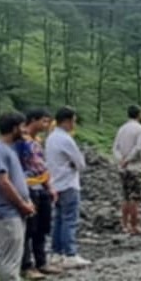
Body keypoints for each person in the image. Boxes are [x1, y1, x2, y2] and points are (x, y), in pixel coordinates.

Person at [0, 112, 38, 281]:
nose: (25, 131)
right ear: (15, 127)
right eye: (23, 127)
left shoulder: (5, 149)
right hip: (8, 211)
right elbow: (3, 182)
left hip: (12, 210)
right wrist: (21, 204)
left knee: (12, 254)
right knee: (10, 256)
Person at [17, 109, 59, 279]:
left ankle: (42, 261)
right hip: (27, 187)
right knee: (28, 229)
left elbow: (41, 165)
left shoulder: (37, 141)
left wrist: (49, 186)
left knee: (42, 227)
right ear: (33, 120)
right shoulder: (20, 141)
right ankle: (26, 265)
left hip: (41, 186)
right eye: (44, 121)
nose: (46, 125)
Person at [45, 107, 88, 269]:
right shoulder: (66, 139)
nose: (74, 124)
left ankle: (56, 253)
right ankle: (70, 253)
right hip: (69, 183)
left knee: (59, 220)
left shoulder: (51, 138)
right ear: (68, 121)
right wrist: (73, 165)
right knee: (70, 219)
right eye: (74, 121)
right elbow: (81, 164)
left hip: (55, 183)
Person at [113, 105, 141, 236]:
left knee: (126, 197)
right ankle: (135, 226)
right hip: (135, 167)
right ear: (139, 114)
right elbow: (139, 147)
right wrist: (128, 159)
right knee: (135, 198)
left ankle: (124, 224)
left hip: (123, 168)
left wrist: (120, 160)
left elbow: (115, 147)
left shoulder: (121, 129)